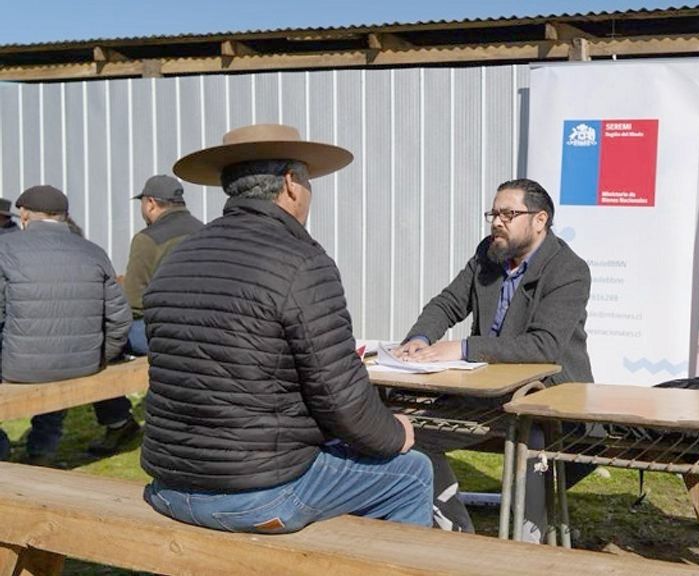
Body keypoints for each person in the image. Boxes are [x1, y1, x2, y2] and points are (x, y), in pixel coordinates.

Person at [141, 123, 432, 533]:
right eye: (308, 181)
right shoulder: (301, 261)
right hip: (257, 494)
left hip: (169, 485)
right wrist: (394, 435)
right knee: (411, 473)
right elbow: (340, 396)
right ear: (292, 184)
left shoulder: (177, 257)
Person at [396, 178, 593, 540]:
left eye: (508, 213)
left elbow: (544, 346)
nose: (496, 222)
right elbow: (448, 302)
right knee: (412, 433)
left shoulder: (569, 270)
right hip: (485, 393)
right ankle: (460, 536)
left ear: (540, 220)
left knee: (530, 439)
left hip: (548, 398)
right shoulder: (489, 252)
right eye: (494, 213)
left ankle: (526, 550)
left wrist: (464, 348)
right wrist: (419, 338)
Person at [0, 185, 133, 466]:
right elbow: (120, 318)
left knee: (39, 358)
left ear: (24, 215)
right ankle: (41, 452)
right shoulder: (93, 251)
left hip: (20, 366)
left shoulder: (5, 249)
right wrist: (100, 355)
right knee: (53, 357)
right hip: (81, 362)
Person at [122, 175, 203, 355]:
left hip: (166, 332)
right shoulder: (206, 230)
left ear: (150, 203)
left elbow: (134, 302)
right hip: (206, 327)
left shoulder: (147, 239)